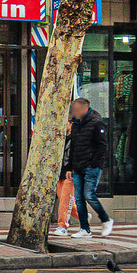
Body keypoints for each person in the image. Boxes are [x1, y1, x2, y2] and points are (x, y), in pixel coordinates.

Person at [57, 97, 114, 237]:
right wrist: (71, 167)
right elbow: (75, 149)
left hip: (89, 166)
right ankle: (85, 228)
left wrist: (94, 164)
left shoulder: (96, 123)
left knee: (86, 195)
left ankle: (105, 220)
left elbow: (102, 146)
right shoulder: (76, 126)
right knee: (78, 198)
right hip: (74, 167)